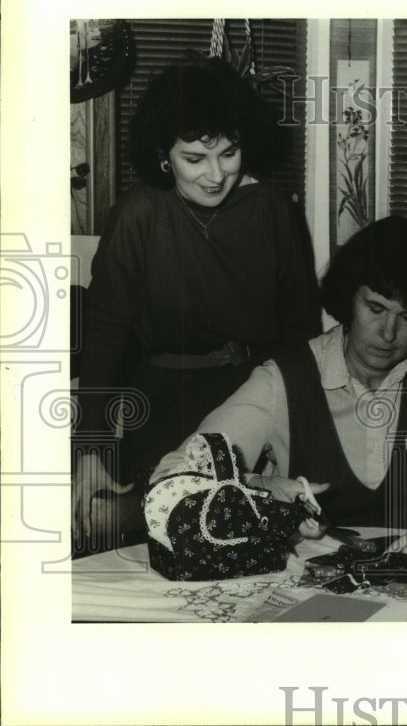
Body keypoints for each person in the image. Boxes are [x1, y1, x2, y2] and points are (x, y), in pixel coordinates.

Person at [72, 58, 322, 549]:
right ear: (164, 156)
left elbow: (301, 337)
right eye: (194, 158)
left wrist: (297, 443)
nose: (216, 175)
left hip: (250, 401)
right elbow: (103, 336)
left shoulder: (273, 210)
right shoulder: (138, 215)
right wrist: (91, 450)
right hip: (161, 405)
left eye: (228, 153)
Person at [150, 216, 407, 566]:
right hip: (304, 580)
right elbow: (173, 478)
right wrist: (259, 487)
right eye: (376, 309)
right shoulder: (283, 379)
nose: (388, 334)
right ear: (348, 299)